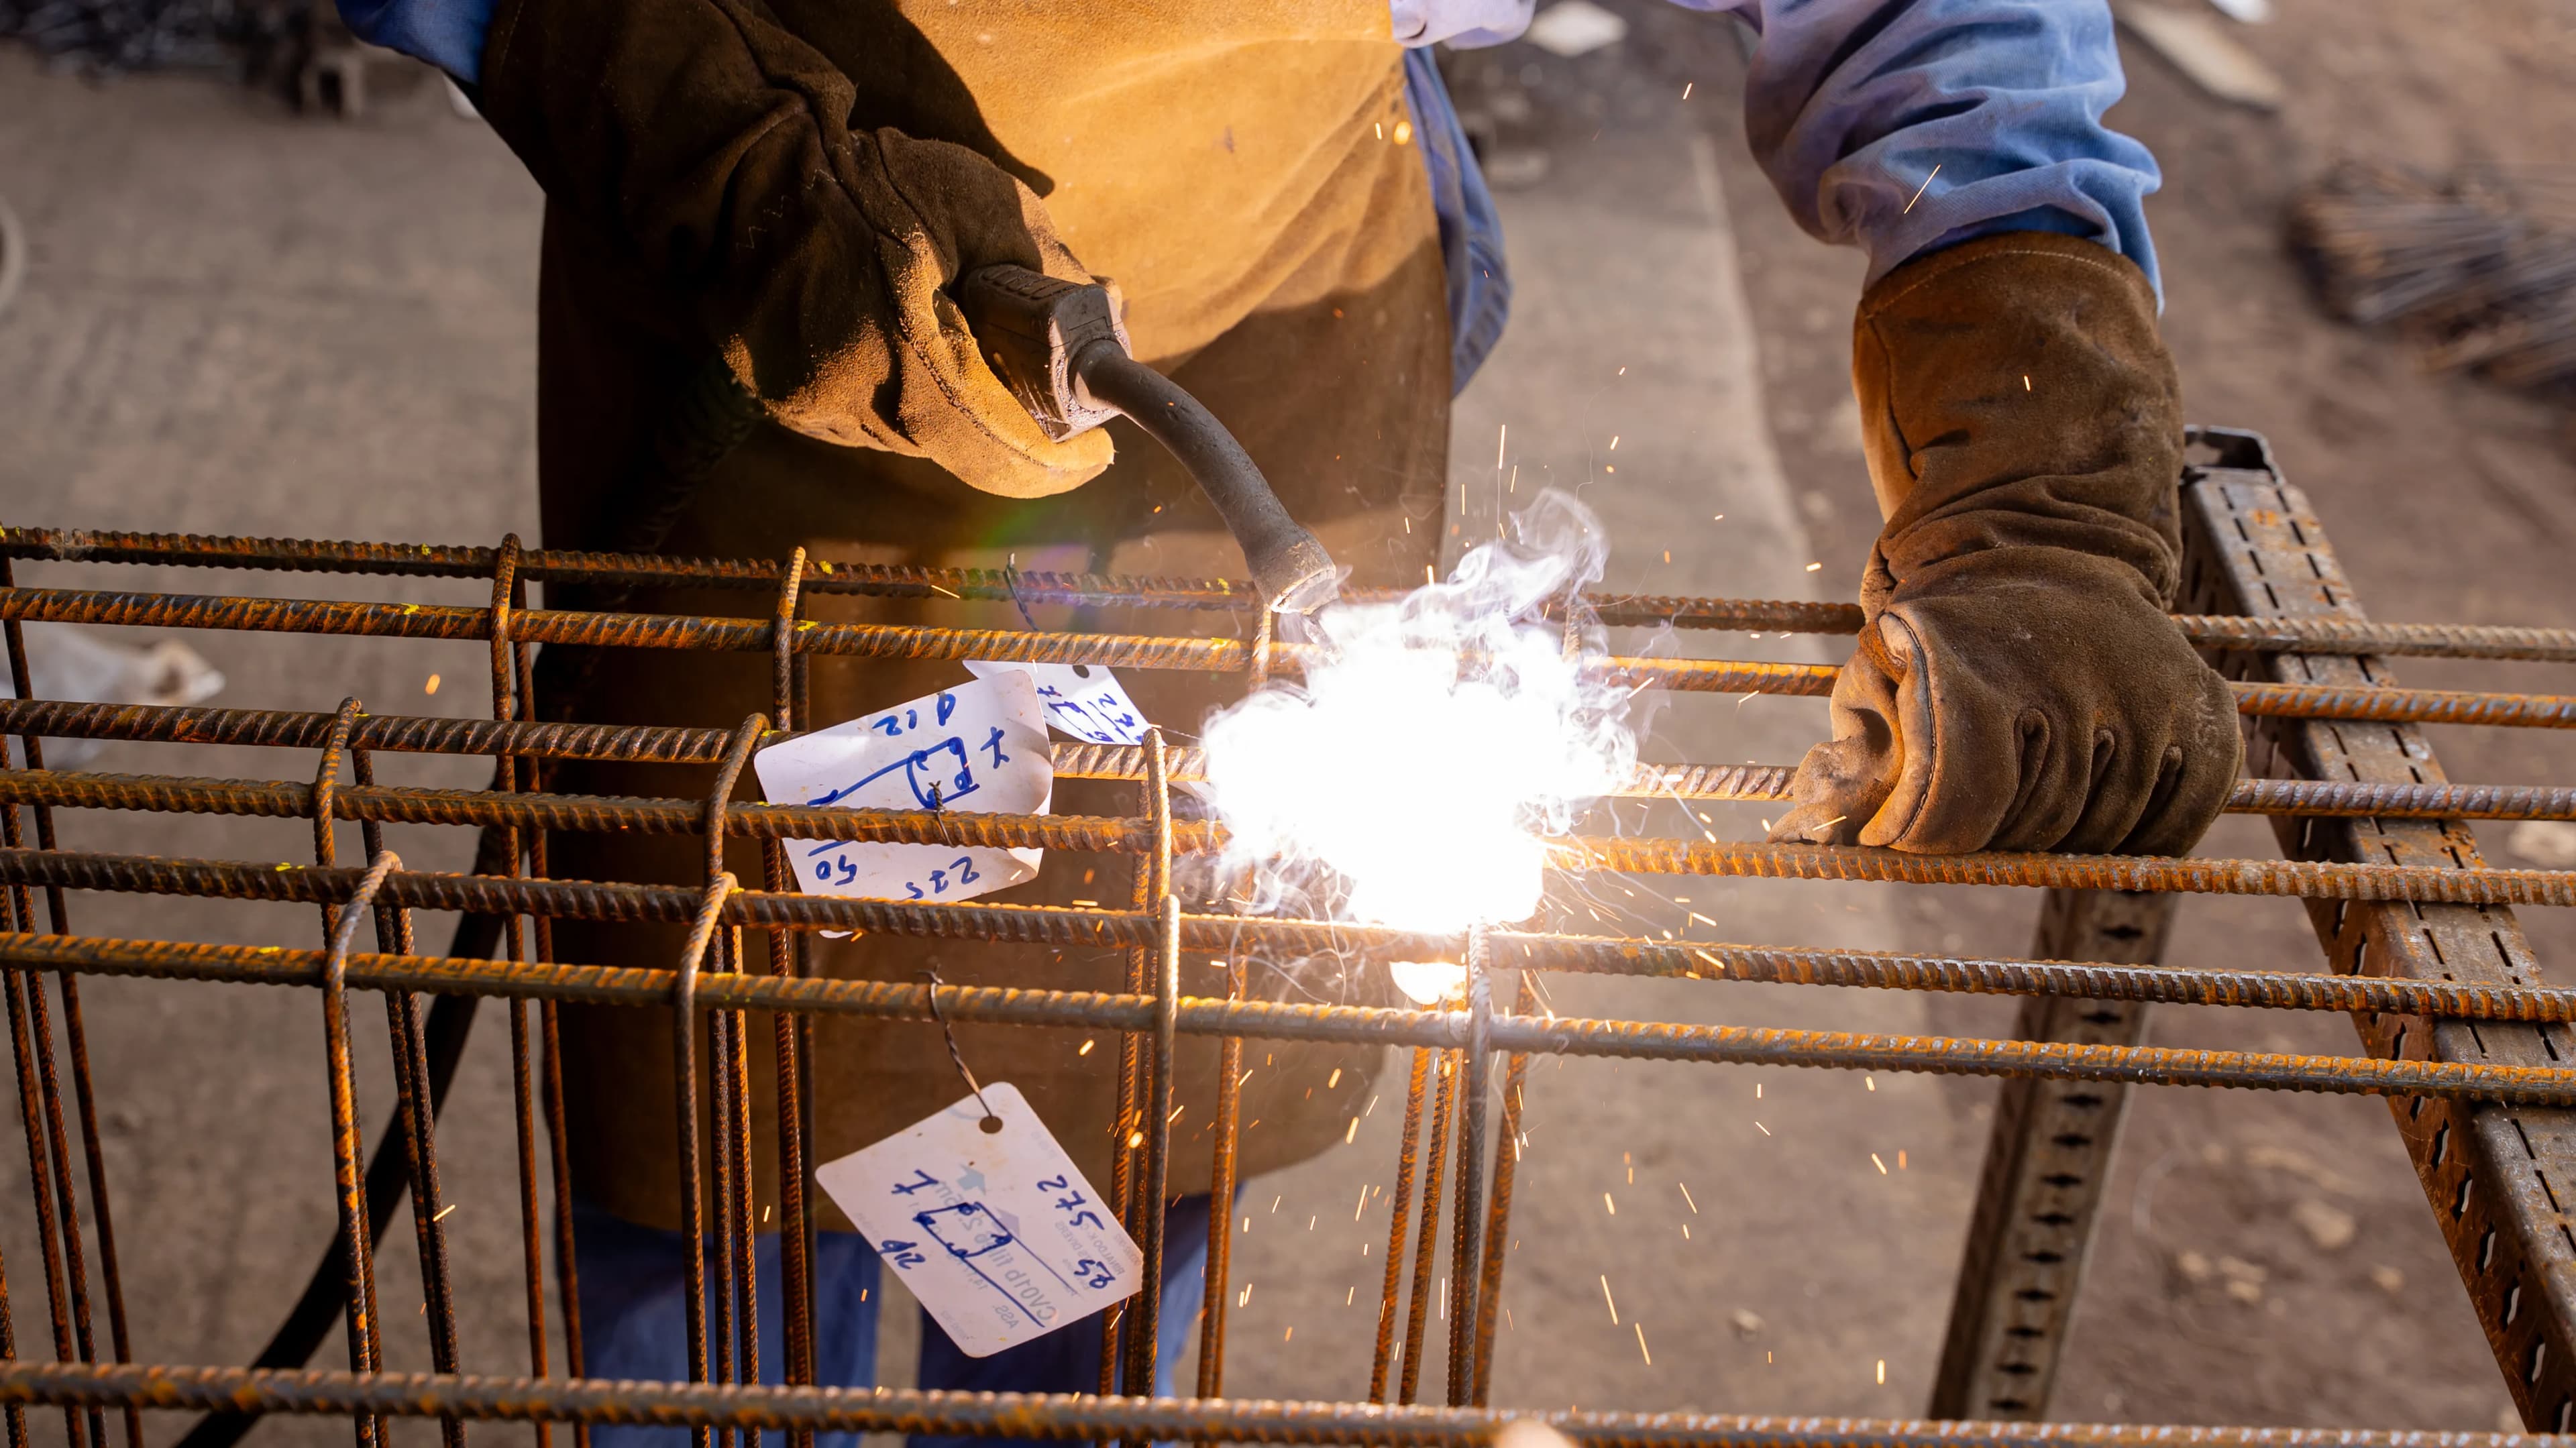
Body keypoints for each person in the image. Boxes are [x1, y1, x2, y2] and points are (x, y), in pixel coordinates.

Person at [331, 0, 2242, 1432]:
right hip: (752, 333)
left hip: (1274, 350)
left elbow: (1936, 26)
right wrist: (690, 111)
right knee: (725, 1139)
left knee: (1137, 1114)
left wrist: (2041, 457)